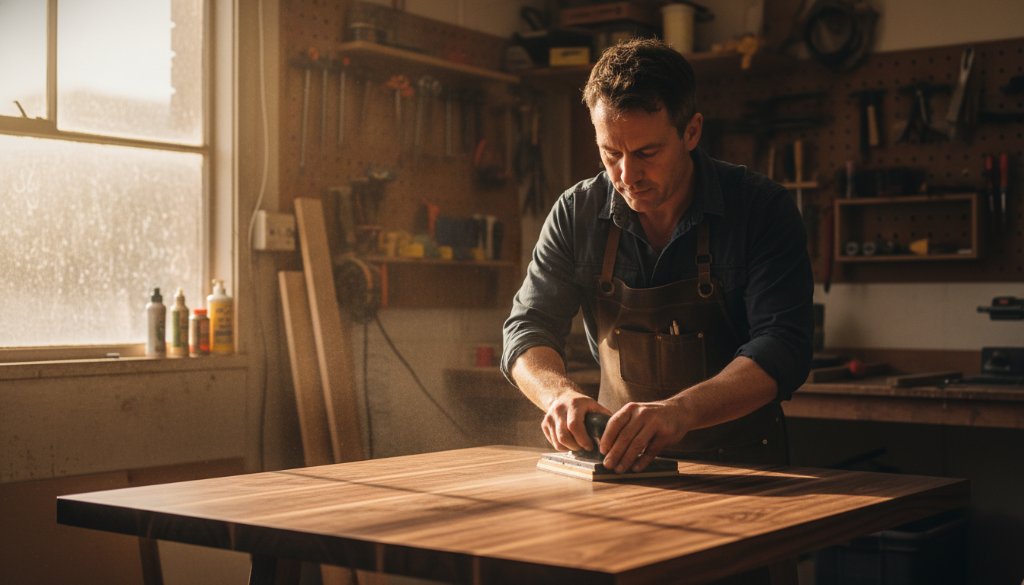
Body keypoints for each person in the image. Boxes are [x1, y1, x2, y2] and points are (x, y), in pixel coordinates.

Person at [501, 38, 814, 475]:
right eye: (610, 153)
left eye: (646, 153)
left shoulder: (761, 210)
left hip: (745, 472)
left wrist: (679, 412)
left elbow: (785, 346)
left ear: (691, 131)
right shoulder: (577, 213)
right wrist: (559, 396)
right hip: (621, 468)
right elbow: (526, 328)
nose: (626, 176)